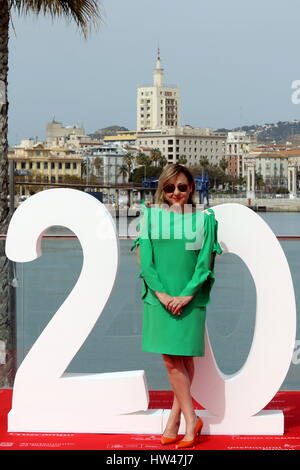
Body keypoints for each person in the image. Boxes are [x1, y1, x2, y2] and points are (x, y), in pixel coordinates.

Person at [130, 164, 222, 448]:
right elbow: (146, 262)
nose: (176, 192)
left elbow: (204, 263)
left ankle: (178, 420)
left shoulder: (204, 220)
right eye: (169, 188)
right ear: (162, 190)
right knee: (172, 361)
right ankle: (188, 419)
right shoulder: (150, 218)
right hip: (158, 299)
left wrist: (186, 295)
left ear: (192, 188)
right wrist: (162, 295)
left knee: (184, 359)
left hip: (190, 300)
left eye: (182, 187)